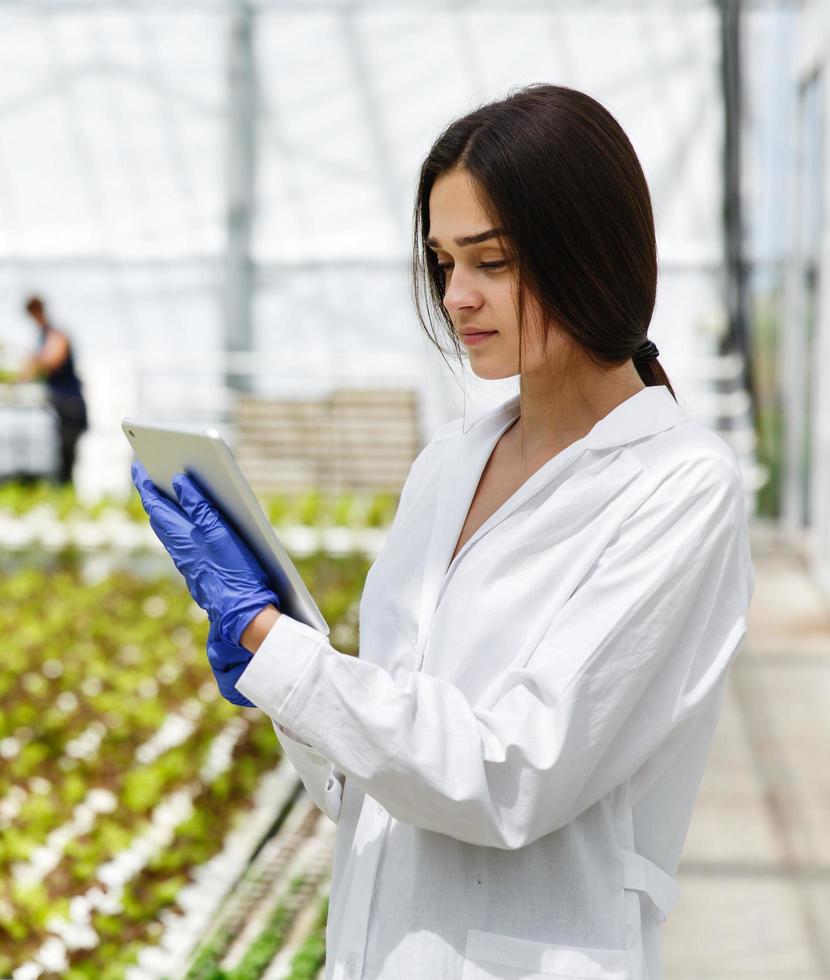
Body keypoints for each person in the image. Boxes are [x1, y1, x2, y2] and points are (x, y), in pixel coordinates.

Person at [132, 83, 754, 980]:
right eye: (442, 262)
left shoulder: (678, 486)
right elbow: (371, 776)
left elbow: (513, 774)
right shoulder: (448, 463)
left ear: (588, 251)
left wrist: (278, 647)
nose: (458, 295)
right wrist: (289, 670)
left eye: (491, 261)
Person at [16, 295, 87, 485]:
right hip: (61, 404)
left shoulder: (56, 335)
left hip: (70, 403)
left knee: (70, 455)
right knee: (63, 454)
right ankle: (65, 489)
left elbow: (51, 361)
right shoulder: (43, 336)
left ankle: (68, 491)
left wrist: (32, 363)